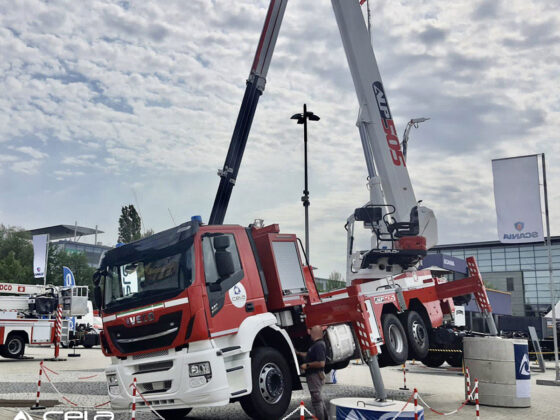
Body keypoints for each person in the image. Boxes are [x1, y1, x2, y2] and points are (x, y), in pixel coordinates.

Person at [297, 325, 329, 420]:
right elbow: (309, 354)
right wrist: (298, 353)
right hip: (316, 375)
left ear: (315, 333)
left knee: (316, 400)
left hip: (315, 375)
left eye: (311, 332)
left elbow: (321, 363)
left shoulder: (319, 345)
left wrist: (306, 365)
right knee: (319, 399)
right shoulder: (316, 344)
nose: (310, 334)